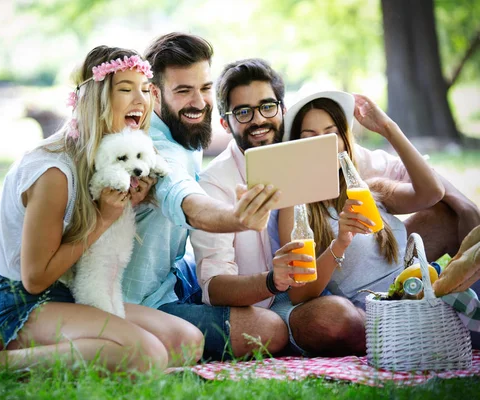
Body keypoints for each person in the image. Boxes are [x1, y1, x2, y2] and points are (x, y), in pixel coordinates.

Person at [0, 46, 205, 376]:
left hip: (73, 298)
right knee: (147, 355)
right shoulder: (54, 171)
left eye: (145, 90)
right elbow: (35, 279)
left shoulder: (105, 156)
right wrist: (104, 219)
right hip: (24, 307)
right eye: (125, 90)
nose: (141, 101)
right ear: (93, 99)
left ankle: (84, 358)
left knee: (188, 341)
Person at [121, 35, 287, 361]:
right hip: (138, 301)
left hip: (170, 278)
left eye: (205, 88)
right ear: (154, 93)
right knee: (269, 331)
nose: (199, 101)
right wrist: (237, 218)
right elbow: (187, 200)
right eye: (183, 91)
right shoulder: (151, 147)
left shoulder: (183, 130)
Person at [189, 59, 365, 358]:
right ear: (225, 123)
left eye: (267, 106)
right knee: (337, 319)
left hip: (333, 279)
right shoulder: (215, 185)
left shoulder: (307, 147)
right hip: (270, 304)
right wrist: (272, 280)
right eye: (243, 112)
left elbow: (370, 164)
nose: (258, 120)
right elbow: (214, 289)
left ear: (282, 109)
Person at [270, 90, 445, 352]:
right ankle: (408, 339)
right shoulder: (296, 207)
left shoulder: (369, 188)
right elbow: (299, 294)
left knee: (448, 218)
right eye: (310, 138)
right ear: (298, 146)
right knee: (335, 317)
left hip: (423, 290)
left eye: (331, 133)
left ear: (344, 138)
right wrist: (339, 243)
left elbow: (432, 193)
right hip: (375, 313)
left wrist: (388, 128)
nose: (324, 144)